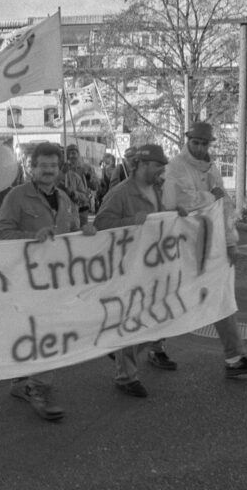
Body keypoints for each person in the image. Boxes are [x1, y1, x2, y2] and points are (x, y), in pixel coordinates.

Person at [0, 142, 97, 421]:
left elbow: (71, 232)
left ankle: (27, 382)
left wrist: (85, 232)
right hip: (26, 280)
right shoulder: (17, 196)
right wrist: (32, 237)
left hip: (56, 281)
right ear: (32, 168)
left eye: (53, 166)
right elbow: (0, 234)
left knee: (47, 330)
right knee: (40, 331)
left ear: (59, 169)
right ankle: (36, 387)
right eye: (43, 166)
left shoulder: (64, 198)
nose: (49, 171)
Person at [163, 122, 247, 378]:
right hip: (181, 246)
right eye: (195, 143)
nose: (200, 148)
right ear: (188, 141)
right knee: (169, 298)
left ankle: (235, 357)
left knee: (221, 297)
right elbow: (175, 200)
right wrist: (210, 196)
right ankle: (144, 346)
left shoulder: (212, 169)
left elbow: (224, 207)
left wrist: (231, 241)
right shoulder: (175, 167)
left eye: (204, 143)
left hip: (212, 246)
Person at [93, 144, 179, 399]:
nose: (162, 170)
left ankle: (122, 350)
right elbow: (101, 224)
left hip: (155, 266)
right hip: (128, 269)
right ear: (141, 165)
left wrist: (178, 215)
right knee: (132, 321)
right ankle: (126, 376)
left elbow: (162, 219)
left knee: (157, 319)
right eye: (157, 165)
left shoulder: (159, 190)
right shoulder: (120, 193)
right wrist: (132, 222)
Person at [60, 145, 91, 227]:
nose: (72, 155)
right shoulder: (62, 171)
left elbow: (95, 186)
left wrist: (88, 176)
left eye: (74, 152)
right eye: (70, 152)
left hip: (82, 206)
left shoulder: (85, 168)